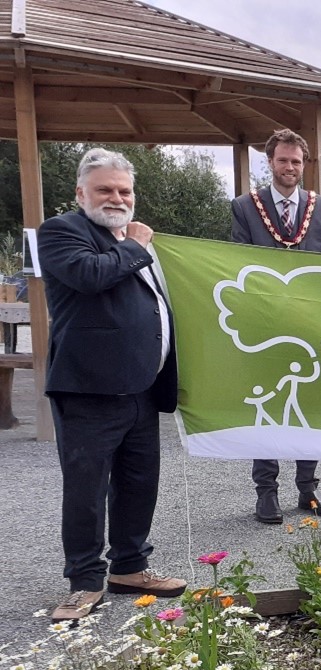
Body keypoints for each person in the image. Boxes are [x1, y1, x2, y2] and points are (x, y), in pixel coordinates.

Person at [39, 148, 187, 622]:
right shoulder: (62, 232)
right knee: (85, 489)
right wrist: (136, 246)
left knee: (139, 484)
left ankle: (130, 567)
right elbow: (88, 276)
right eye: (105, 189)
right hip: (89, 390)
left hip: (142, 388)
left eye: (124, 190)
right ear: (81, 192)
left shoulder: (133, 240)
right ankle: (83, 581)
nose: (117, 198)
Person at [230, 128, 321, 524]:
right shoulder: (246, 206)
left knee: (310, 406)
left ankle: (307, 490)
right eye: (283, 160)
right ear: (270, 161)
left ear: (304, 164)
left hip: (310, 326)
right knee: (268, 406)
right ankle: (266, 492)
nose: (290, 167)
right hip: (265, 327)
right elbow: (238, 262)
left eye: (296, 161)